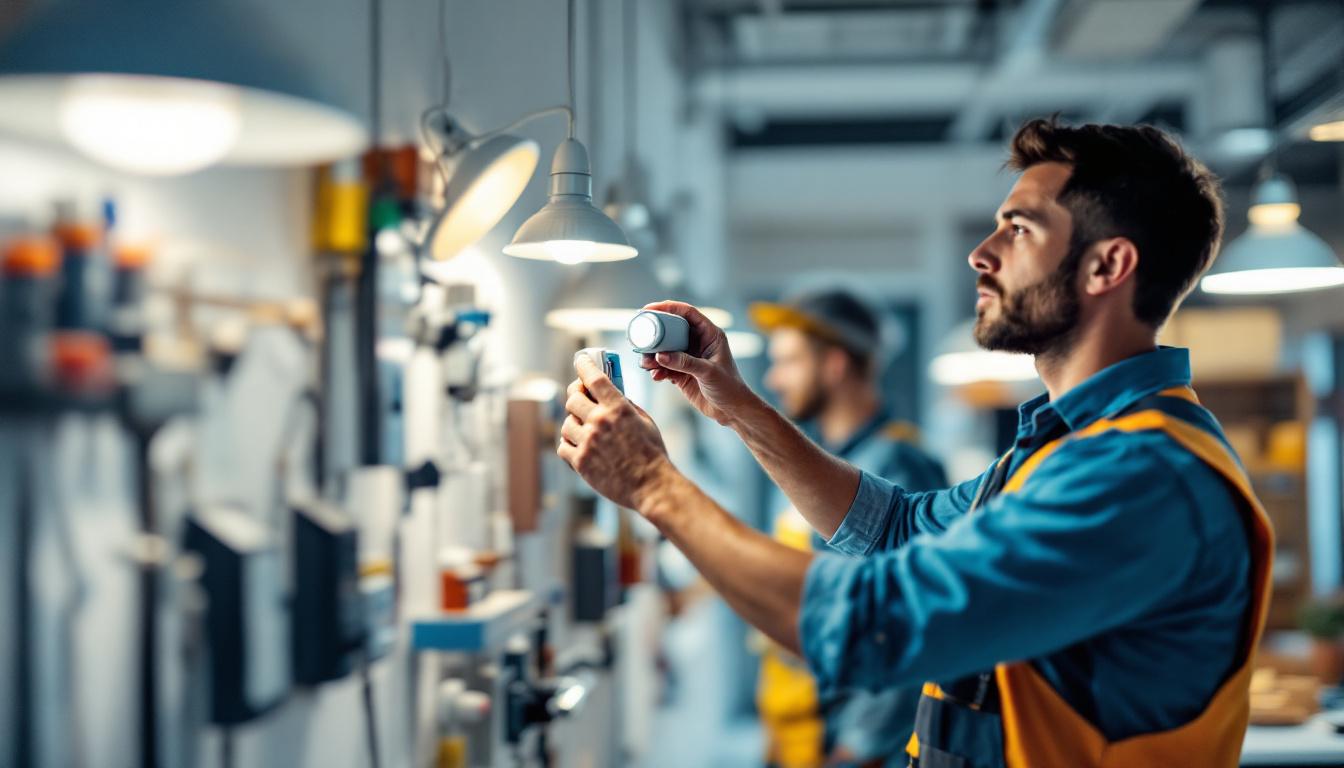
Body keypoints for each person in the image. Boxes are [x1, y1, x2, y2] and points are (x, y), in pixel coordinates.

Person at [557, 118, 1272, 767]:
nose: (980, 254)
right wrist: (740, 408)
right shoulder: (1067, 446)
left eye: (1018, 229)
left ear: (1106, 267)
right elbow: (892, 526)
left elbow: (875, 624)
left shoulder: (1138, 474)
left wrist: (653, 486)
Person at [750, 288, 946, 767]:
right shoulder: (807, 464)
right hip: (797, 729)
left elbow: (910, 621)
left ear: (835, 364)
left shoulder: (897, 465)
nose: (773, 379)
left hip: (851, 745)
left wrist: (859, 748)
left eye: (790, 361)